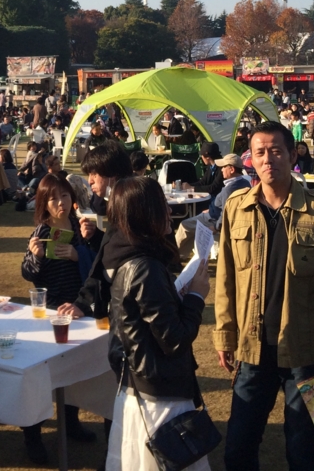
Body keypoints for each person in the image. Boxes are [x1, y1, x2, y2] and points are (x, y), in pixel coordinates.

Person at [214, 121, 314, 471]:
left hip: (305, 351)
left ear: (292, 155)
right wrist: (225, 334)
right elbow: (226, 279)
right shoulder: (236, 207)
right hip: (253, 347)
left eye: (276, 151)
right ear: (251, 159)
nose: (267, 159)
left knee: (305, 450)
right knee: (238, 447)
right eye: (259, 152)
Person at [104, 176, 211, 471]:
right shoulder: (145, 267)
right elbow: (173, 338)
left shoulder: (127, 256)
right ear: (144, 214)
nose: (169, 212)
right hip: (160, 395)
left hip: (141, 387)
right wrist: (197, 298)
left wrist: (177, 295)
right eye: (161, 206)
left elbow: (144, 318)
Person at [19, 174, 99, 461]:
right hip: (50, 312)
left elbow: (98, 266)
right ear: (43, 203)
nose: (60, 203)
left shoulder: (81, 227)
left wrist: (80, 254)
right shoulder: (40, 232)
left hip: (78, 310)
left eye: (64, 196)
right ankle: (32, 436)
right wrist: (36, 255)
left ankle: (70, 422)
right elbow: (28, 274)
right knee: (43, 375)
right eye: (53, 198)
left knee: (73, 372)